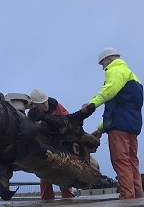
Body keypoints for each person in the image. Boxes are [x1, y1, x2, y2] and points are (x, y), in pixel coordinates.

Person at [82, 47, 144, 200]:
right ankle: (137, 195)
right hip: (132, 126)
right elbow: (121, 107)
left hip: (119, 127)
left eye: (103, 63)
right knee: (132, 161)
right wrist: (100, 129)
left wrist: (92, 104)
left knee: (120, 160)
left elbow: (109, 90)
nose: (103, 67)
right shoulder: (132, 76)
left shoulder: (115, 71)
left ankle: (127, 197)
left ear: (109, 59)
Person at [28, 88, 76, 200]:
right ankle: (47, 201)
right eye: (42, 103)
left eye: (46, 101)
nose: (46, 105)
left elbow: (68, 120)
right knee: (45, 175)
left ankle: (68, 199)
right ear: (35, 105)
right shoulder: (31, 115)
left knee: (64, 173)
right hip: (45, 148)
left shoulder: (57, 107)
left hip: (61, 145)